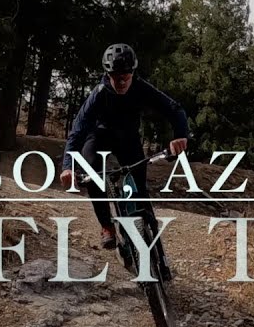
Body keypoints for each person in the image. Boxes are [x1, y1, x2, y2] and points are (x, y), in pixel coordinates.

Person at [59, 43, 190, 254]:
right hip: (98, 136)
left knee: (140, 190)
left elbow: (174, 109)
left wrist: (180, 136)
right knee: (92, 171)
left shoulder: (141, 87)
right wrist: (68, 166)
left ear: (132, 73)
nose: (120, 82)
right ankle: (107, 226)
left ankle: (154, 246)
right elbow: (77, 131)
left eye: (125, 77)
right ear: (107, 73)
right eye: (115, 77)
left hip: (128, 138)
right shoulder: (99, 93)